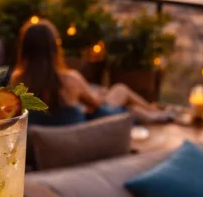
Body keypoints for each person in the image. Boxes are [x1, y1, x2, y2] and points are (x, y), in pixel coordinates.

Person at [11, 20, 160, 126]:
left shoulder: (17, 81)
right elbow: (95, 104)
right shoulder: (70, 79)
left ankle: (152, 113)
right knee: (122, 92)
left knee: (121, 97)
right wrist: (99, 95)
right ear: (54, 48)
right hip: (89, 125)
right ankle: (154, 112)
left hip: (53, 135)